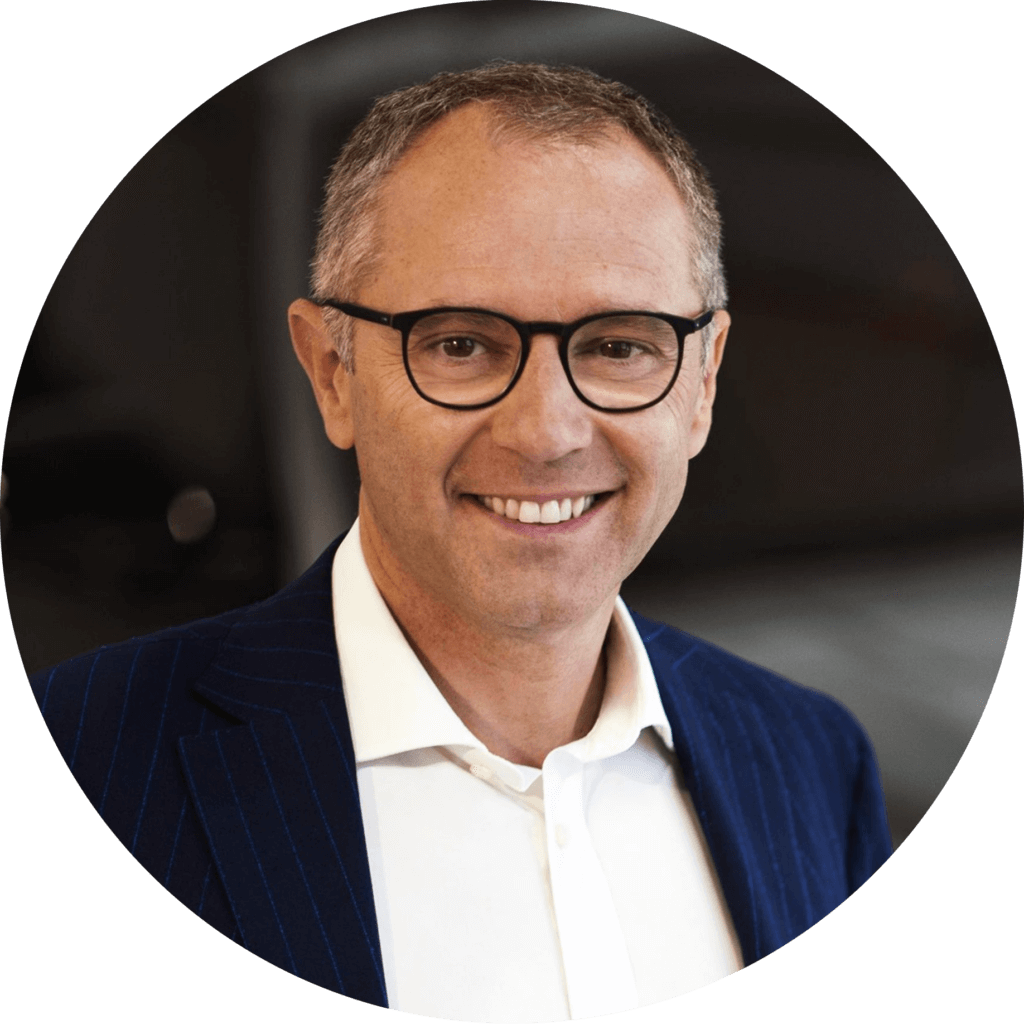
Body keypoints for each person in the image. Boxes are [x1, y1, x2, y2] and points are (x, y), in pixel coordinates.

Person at [28, 62, 891, 1017]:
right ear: (331, 374)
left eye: (617, 346)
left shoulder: (813, 760)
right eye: (461, 344)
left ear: (703, 382)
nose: (548, 431)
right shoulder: (93, 760)